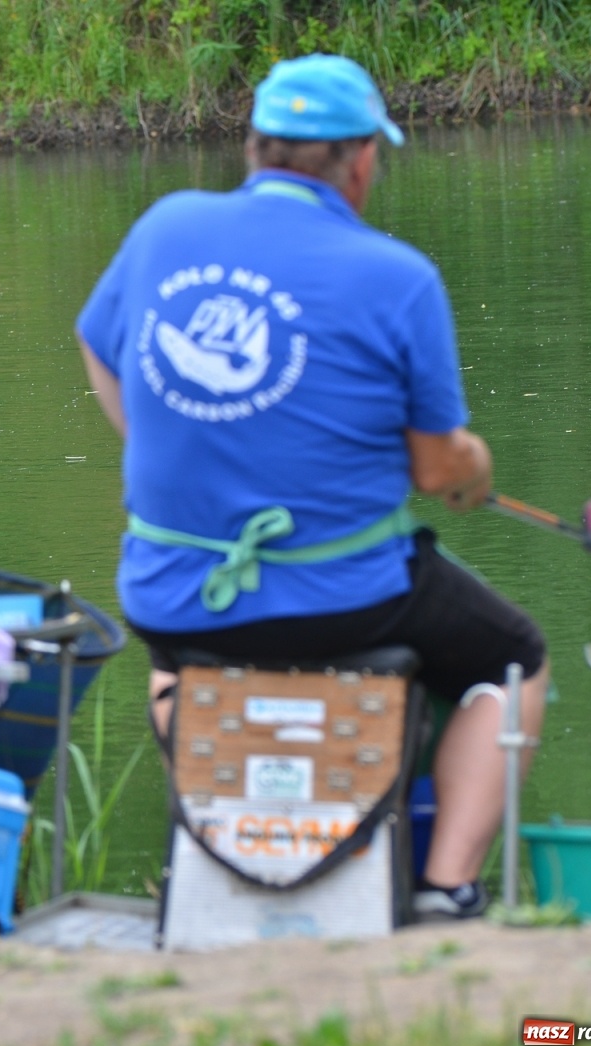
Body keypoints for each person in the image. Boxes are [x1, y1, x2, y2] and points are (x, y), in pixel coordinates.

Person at [74, 53, 547, 919]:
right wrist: (476, 471)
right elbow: (438, 468)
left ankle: (223, 852)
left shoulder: (165, 227)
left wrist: (167, 451)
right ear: (362, 161)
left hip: (174, 592)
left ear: (253, 147)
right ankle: (446, 888)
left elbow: (98, 346)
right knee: (514, 658)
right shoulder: (396, 277)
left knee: (174, 658)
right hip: (347, 600)